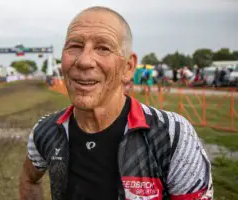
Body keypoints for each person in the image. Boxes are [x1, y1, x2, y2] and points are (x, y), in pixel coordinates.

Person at [19, 6, 213, 200]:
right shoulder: (46, 131)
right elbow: (29, 178)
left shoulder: (171, 135)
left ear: (128, 67)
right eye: (75, 46)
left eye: (103, 48)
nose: (84, 61)